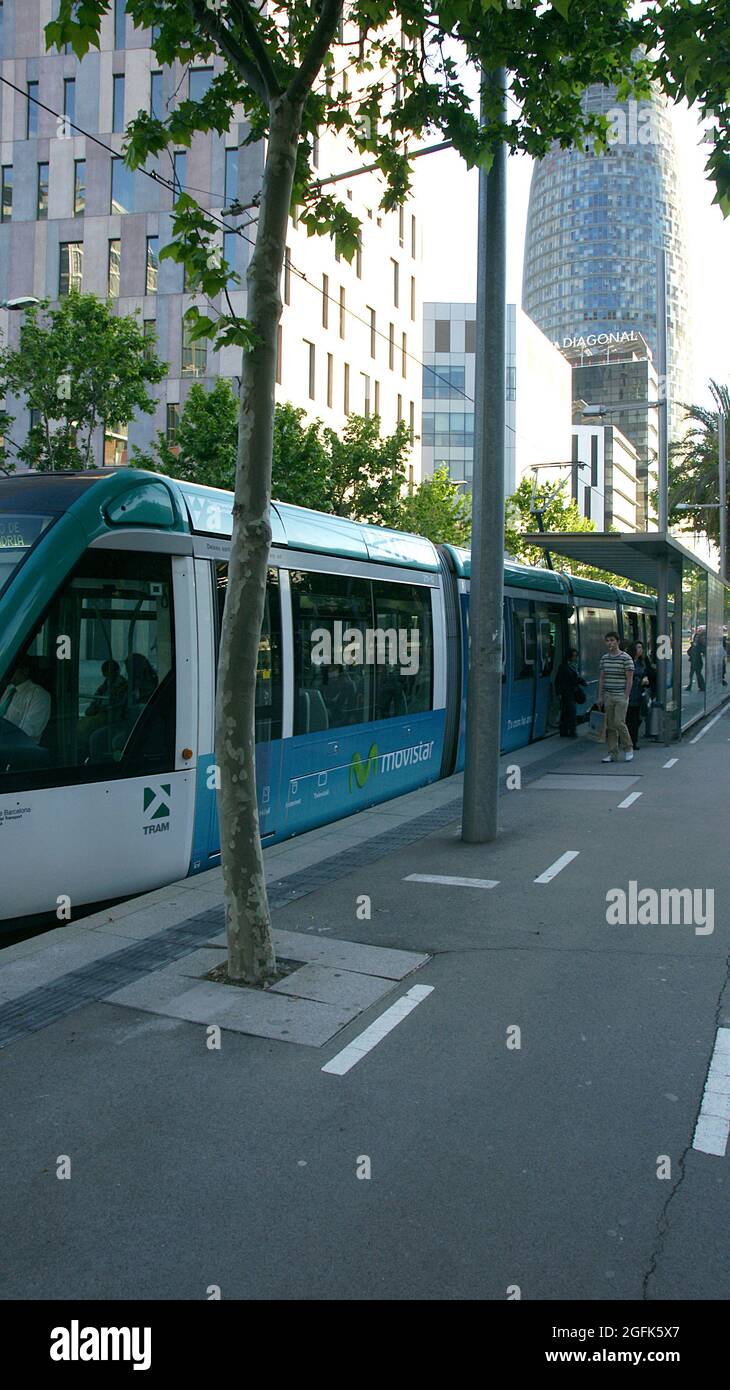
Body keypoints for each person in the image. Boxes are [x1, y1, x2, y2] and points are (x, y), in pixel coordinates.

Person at [597, 631, 634, 763]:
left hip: (621, 696)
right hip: (608, 695)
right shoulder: (604, 659)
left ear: (618, 642)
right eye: (608, 641)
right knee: (611, 725)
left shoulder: (626, 658)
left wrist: (626, 696)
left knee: (619, 722)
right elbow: (602, 678)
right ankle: (612, 753)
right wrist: (600, 696)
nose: (610, 643)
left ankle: (628, 748)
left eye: (612, 640)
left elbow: (629, 679)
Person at [0, 657, 51, 745]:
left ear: (25, 671)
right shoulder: (8, 689)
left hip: (20, 748)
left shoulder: (39, 695)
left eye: (11, 669)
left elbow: (29, 731)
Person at [625, 640, 656, 751]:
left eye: (641, 648)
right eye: (638, 647)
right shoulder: (628, 661)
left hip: (639, 693)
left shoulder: (642, 661)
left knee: (637, 718)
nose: (640, 650)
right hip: (629, 693)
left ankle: (632, 741)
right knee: (630, 718)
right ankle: (629, 741)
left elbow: (648, 673)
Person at [554, 647, 586, 738]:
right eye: (574, 656)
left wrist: (582, 682)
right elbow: (558, 681)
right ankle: (572, 731)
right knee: (571, 711)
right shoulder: (563, 667)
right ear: (569, 656)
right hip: (566, 692)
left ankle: (564, 730)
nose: (575, 658)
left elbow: (576, 678)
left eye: (576, 656)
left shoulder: (573, 666)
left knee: (566, 712)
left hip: (572, 692)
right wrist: (559, 693)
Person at [686, 627, 706, 691]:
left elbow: (703, 650)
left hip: (697, 661)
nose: (696, 638)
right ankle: (696, 686)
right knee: (694, 674)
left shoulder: (700, 644)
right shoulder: (696, 644)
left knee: (697, 674)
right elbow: (690, 651)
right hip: (694, 660)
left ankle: (701, 686)